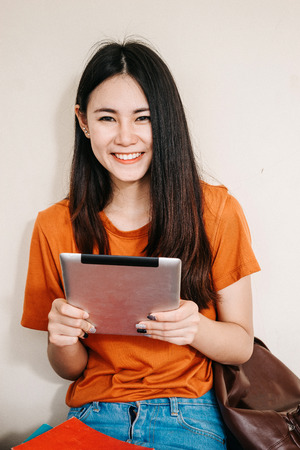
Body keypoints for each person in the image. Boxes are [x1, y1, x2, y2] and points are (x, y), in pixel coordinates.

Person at [21, 40, 260, 449]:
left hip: (188, 415)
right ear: (83, 122)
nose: (126, 137)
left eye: (143, 117)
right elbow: (71, 368)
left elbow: (240, 346)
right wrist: (60, 338)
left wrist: (194, 327)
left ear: (165, 121)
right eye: (107, 118)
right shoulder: (53, 224)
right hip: (94, 413)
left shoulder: (216, 210)